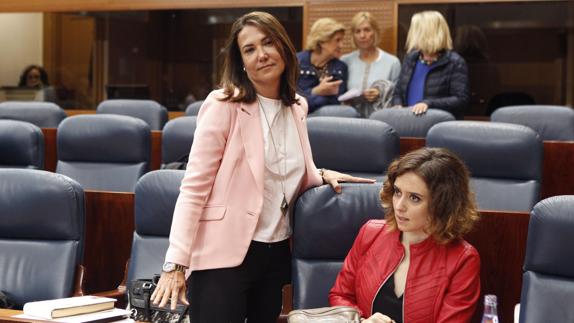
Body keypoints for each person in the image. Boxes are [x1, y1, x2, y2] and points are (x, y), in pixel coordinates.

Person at [150, 11, 374, 323]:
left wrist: (319, 174)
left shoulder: (297, 106)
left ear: (283, 47)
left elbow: (289, 168)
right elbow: (193, 189)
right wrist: (175, 264)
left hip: (276, 251)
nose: (262, 55)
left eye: (268, 43)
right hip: (222, 255)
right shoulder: (223, 105)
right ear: (240, 61)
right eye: (250, 49)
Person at [329, 147, 481, 323]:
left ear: (442, 205)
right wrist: (361, 321)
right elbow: (340, 295)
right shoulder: (370, 233)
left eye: (414, 198)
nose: (399, 206)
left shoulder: (463, 259)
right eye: (397, 192)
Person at [392, 11, 470, 119]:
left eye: (415, 30)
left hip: (439, 126)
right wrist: (397, 104)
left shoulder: (454, 62)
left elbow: (461, 100)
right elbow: (398, 92)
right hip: (408, 124)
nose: (411, 34)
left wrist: (428, 104)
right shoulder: (410, 58)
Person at [341, 12, 401, 117]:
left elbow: (398, 96)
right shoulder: (345, 61)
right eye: (357, 31)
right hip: (350, 122)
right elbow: (339, 95)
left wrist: (381, 93)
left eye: (367, 30)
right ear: (353, 36)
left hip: (381, 121)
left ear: (375, 32)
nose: (362, 35)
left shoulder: (392, 62)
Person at [297, 18, 348, 113]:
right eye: (337, 40)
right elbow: (290, 99)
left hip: (327, 117)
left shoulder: (340, 67)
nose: (341, 45)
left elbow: (337, 100)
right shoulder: (296, 62)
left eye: (342, 40)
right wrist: (315, 91)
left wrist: (309, 97)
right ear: (322, 41)